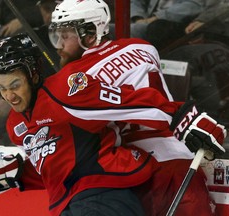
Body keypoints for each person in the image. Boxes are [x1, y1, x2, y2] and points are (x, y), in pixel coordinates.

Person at [0, 33, 227, 216]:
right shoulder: (16, 124)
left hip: (104, 197)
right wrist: (19, 175)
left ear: (34, 74)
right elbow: (65, 165)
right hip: (67, 205)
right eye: (1, 88)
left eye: (15, 85)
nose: (9, 96)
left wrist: (180, 116)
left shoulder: (66, 90)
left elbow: (126, 101)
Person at [47, 0, 219, 215]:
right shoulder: (143, 46)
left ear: (89, 34)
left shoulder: (75, 77)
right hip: (182, 159)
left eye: (65, 35)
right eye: (56, 35)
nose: (58, 44)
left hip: (139, 170)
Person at [129, 0, 205, 50]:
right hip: (146, 20)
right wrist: (138, 18)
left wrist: (157, 17)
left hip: (175, 22)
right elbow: (136, 2)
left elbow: (193, 5)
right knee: (121, 28)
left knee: (131, 31)